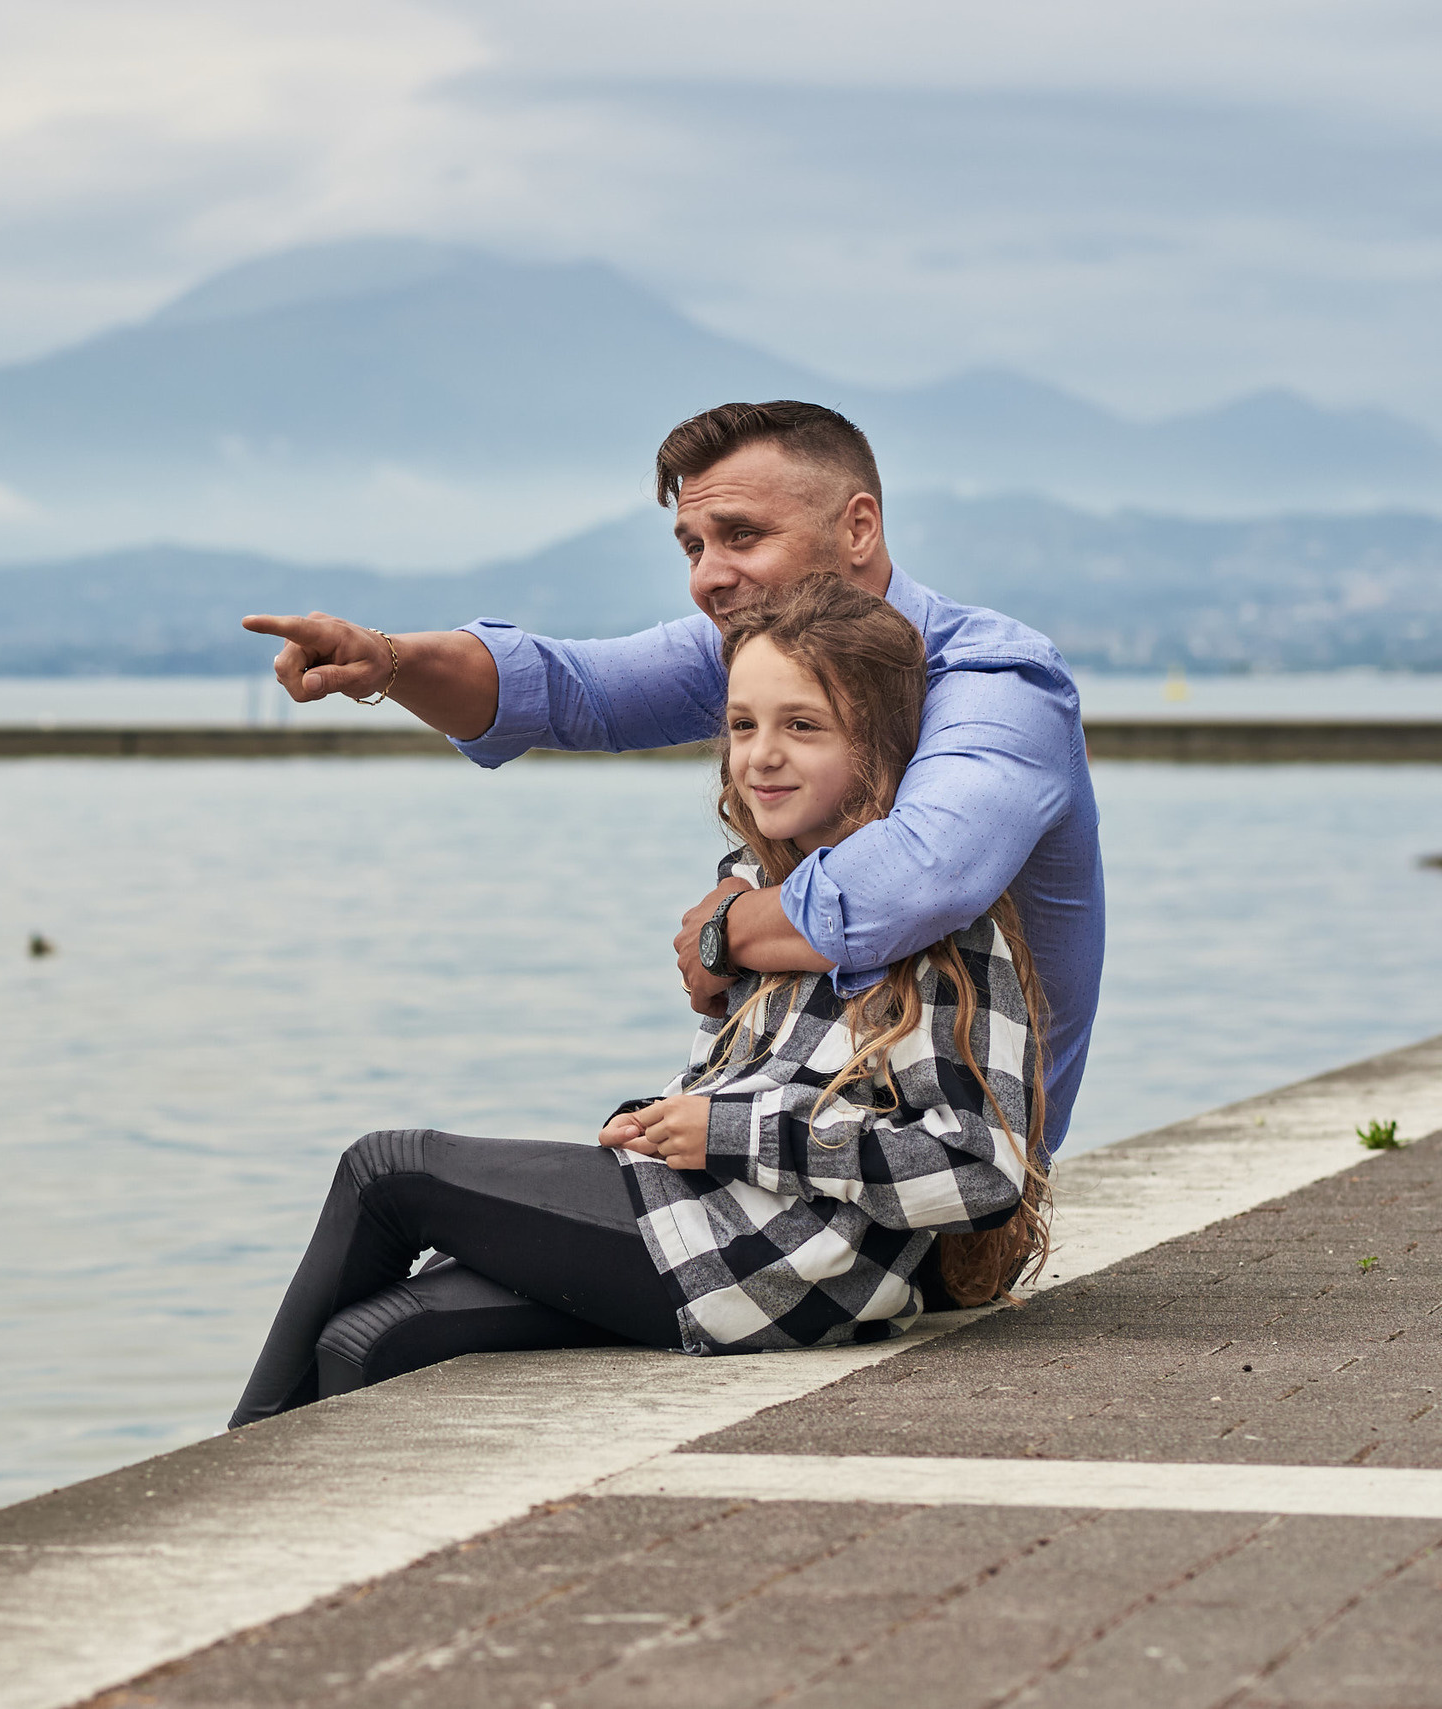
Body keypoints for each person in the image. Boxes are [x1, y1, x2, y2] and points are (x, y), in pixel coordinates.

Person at [228, 577, 1049, 1425]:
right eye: (742, 725)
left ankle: (221, 1490)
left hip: (782, 1264)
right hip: (700, 1224)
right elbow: (738, 1075)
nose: (761, 755)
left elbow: (983, 1170)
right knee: (374, 1335)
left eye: (802, 725)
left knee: (386, 1169)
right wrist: (664, 1115)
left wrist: (722, 1130)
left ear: (879, 740)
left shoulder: (945, 927)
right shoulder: (751, 891)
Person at [241, 400, 1102, 1157]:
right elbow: (568, 691)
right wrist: (386, 659)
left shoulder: (994, 677)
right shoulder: (757, 649)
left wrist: (729, 927)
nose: (706, 577)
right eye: (692, 545)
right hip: (793, 1149)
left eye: (741, 536)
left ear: (858, 528)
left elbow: (919, 875)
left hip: (938, 1187)